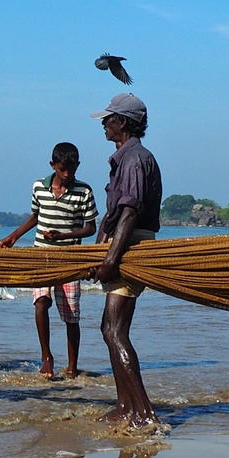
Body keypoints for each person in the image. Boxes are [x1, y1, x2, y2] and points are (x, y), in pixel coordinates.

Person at [87, 93, 162, 426]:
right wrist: (98, 249)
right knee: (110, 328)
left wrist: (111, 261)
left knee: (114, 331)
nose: (104, 123)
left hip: (132, 249)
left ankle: (143, 413)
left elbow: (129, 213)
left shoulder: (133, 160)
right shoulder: (126, 158)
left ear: (123, 123)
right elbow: (112, 214)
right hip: (123, 245)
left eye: (109, 118)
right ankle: (126, 407)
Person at [0, 142, 97, 378]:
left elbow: (91, 228)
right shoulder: (38, 187)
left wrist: (65, 236)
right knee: (41, 302)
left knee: (71, 315)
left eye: (72, 169)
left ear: (78, 166)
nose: (67, 174)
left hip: (69, 260)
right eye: (63, 169)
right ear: (52, 165)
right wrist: (13, 236)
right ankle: (47, 358)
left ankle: (72, 366)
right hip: (41, 255)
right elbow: (36, 216)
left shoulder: (84, 192)